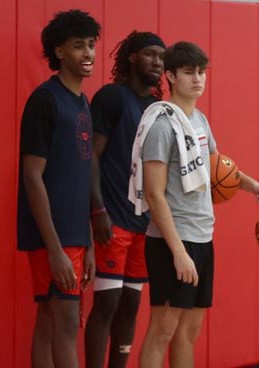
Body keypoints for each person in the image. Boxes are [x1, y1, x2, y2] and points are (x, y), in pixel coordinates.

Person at [134, 42, 259, 367]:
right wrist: (178, 252)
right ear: (170, 75)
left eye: (201, 72)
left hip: (202, 237)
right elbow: (154, 195)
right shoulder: (161, 125)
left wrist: (253, 186)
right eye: (188, 72)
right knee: (162, 331)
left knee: (188, 333)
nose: (198, 78)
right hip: (173, 243)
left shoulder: (199, 120)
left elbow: (217, 167)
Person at [17, 9, 100, 367]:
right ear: (59, 51)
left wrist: (89, 244)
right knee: (67, 322)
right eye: (78, 46)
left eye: (92, 45)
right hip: (52, 235)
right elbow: (32, 175)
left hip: (75, 234)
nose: (88, 53)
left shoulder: (81, 101)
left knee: (49, 321)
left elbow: (79, 180)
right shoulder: (45, 100)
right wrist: (54, 249)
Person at [84, 31, 167, 368]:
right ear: (132, 57)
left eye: (162, 57)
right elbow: (92, 156)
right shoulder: (111, 98)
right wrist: (98, 209)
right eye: (150, 54)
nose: (157, 62)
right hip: (113, 217)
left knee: (131, 304)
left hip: (144, 223)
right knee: (108, 302)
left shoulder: (160, 109)